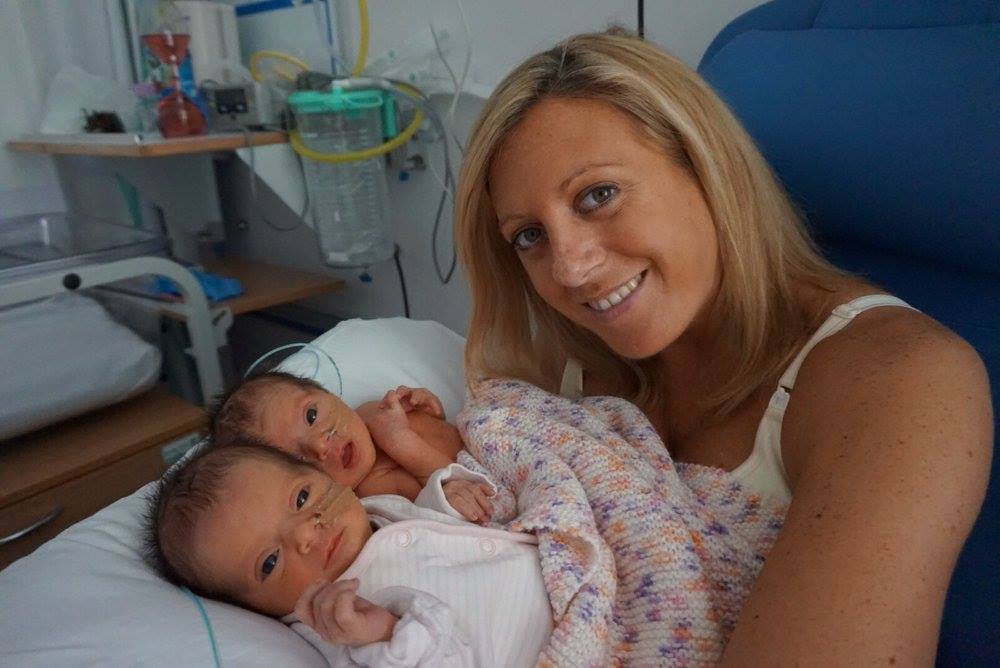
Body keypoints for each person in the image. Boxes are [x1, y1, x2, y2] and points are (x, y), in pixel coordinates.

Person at [454, 29, 993, 664]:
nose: (569, 269)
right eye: (529, 236)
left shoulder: (903, 380)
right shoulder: (574, 366)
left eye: (598, 195)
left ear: (704, 165)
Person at [147, 442, 552, 667]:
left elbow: (427, 522)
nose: (307, 533)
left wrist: (446, 496)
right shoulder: (333, 626)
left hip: (568, 577)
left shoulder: (375, 509)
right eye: (269, 562)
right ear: (256, 609)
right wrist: (387, 636)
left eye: (302, 497)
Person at [210, 372, 493, 523]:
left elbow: (441, 428)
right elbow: (446, 486)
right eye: (297, 459)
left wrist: (429, 405)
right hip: (490, 479)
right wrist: (399, 441)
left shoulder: (370, 410)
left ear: (328, 394)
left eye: (311, 416)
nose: (320, 444)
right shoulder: (370, 488)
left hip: (487, 431)